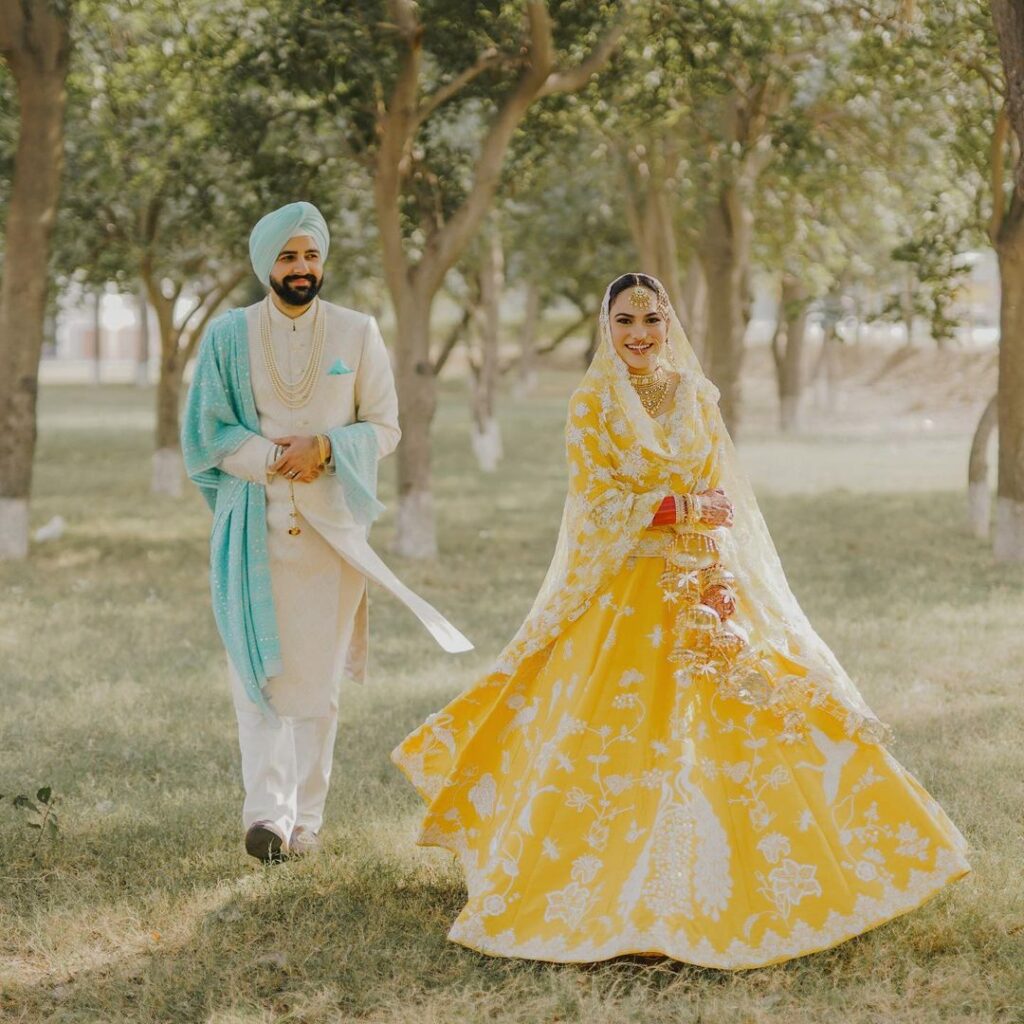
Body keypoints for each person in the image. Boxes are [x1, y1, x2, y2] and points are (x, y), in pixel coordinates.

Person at [391, 272, 971, 969]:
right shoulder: (591, 404)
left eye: (651, 319)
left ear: (670, 324)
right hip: (624, 594)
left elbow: (721, 490)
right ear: (607, 327)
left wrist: (719, 568)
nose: (639, 334)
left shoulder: (696, 395)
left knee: (751, 719)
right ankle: (621, 897)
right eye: (625, 321)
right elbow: (598, 503)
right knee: (620, 740)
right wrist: (682, 510)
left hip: (703, 588)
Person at [182, 201, 472, 863]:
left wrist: (329, 448)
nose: (302, 268)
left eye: (311, 255)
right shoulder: (228, 336)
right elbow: (207, 432)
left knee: (314, 685)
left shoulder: (356, 331)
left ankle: (305, 821)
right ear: (266, 265)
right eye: (288, 257)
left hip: (331, 534)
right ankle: (267, 819)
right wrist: (267, 459)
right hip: (250, 528)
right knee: (255, 675)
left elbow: (386, 428)